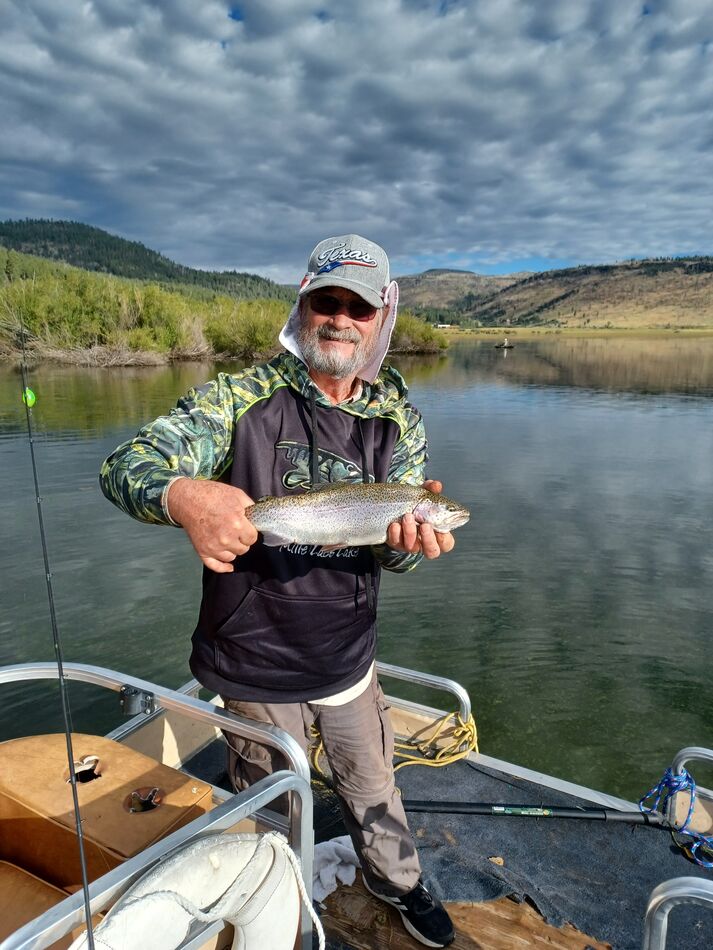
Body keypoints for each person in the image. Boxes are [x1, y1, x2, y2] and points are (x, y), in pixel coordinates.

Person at [100, 234, 456, 948]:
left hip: (347, 658)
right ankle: (276, 905)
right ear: (303, 304)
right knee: (270, 804)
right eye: (326, 301)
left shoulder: (397, 421)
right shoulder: (240, 397)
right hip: (252, 660)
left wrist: (409, 545)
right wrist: (180, 495)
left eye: (358, 307)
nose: (339, 319)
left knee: (372, 786)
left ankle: (397, 882)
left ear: (380, 318)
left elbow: (401, 566)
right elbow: (126, 463)